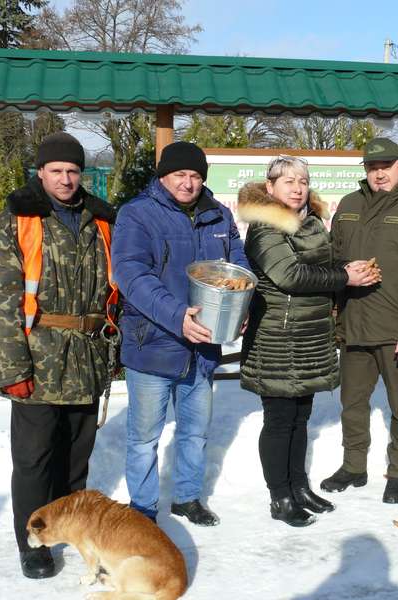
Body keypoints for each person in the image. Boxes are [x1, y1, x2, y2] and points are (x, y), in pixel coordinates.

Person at [0, 132, 118, 579]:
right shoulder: (20, 219)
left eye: (73, 171)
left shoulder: (100, 221)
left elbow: (114, 293)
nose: (65, 178)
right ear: (40, 172)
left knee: (76, 458)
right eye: (56, 170)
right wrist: (10, 368)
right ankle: (34, 541)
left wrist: (112, 350)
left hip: (87, 356)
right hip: (37, 360)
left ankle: (70, 529)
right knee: (36, 460)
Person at [112, 141, 249, 526]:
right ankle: (142, 508)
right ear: (163, 176)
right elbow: (131, 275)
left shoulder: (218, 215)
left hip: (202, 347)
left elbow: (237, 265)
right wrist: (176, 316)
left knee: (194, 432)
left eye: (195, 176)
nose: (188, 183)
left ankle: (187, 497)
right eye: (180, 175)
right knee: (144, 437)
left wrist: (241, 308)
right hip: (154, 343)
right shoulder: (138, 215)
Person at [237, 156, 378, 527]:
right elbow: (290, 275)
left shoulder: (312, 222)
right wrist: (343, 276)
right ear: (270, 188)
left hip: (311, 334)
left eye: (302, 180)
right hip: (278, 336)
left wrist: (350, 270)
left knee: (301, 417)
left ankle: (298, 486)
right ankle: (279, 496)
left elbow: (325, 267)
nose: (297, 188)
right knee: (281, 420)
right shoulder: (266, 226)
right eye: (288, 182)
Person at [320, 137, 398, 504]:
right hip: (354, 324)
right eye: (372, 167)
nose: (379, 173)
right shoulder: (348, 205)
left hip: (397, 330)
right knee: (352, 404)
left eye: (386, 166)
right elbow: (331, 261)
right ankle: (354, 466)